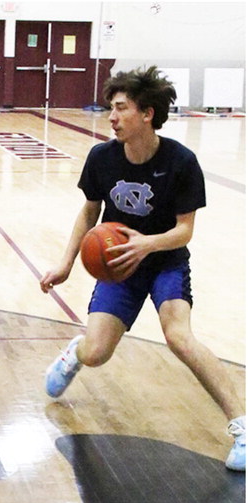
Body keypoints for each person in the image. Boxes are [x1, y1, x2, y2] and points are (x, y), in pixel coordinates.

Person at [40, 66, 245, 471]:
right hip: (119, 266)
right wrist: (65, 263)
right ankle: (74, 355)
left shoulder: (181, 162)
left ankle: (241, 426)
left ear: (147, 113)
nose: (111, 117)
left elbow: (184, 230)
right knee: (97, 352)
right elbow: (89, 212)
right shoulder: (102, 157)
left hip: (165, 261)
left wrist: (146, 245)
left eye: (120, 109)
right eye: (110, 109)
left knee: (180, 338)